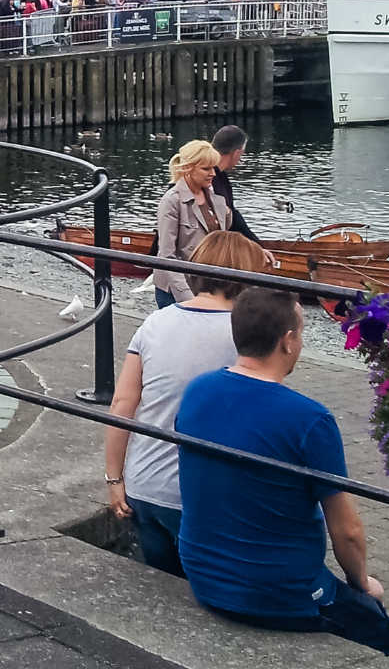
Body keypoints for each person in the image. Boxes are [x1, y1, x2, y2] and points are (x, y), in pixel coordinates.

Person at [176, 288, 389, 667]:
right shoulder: (309, 420)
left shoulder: (197, 390)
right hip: (278, 591)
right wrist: (363, 584)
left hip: (204, 573)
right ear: (288, 341)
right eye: (301, 331)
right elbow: (346, 531)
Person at [105, 232, 264, 576]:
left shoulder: (154, 323)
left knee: (163, 580)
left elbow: (122, 403)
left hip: (144, 482)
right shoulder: (247, 336)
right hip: (203, 494)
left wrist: (114, 478)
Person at [154, 140, 233, 309]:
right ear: (188, 168)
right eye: (206, 169)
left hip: (208, 287)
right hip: (176, 290)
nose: (213, 173)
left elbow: (223, 237)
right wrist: (187, 299)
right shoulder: (172, 200)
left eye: (214, 168)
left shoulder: (215, 197)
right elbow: (167, 255)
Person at [209, 125, 259, 245]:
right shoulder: (209, 179)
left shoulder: (222, 177)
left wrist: (256, 245)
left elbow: (233, 216)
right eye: (242, 154)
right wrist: (257, 245)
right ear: (237, 153)